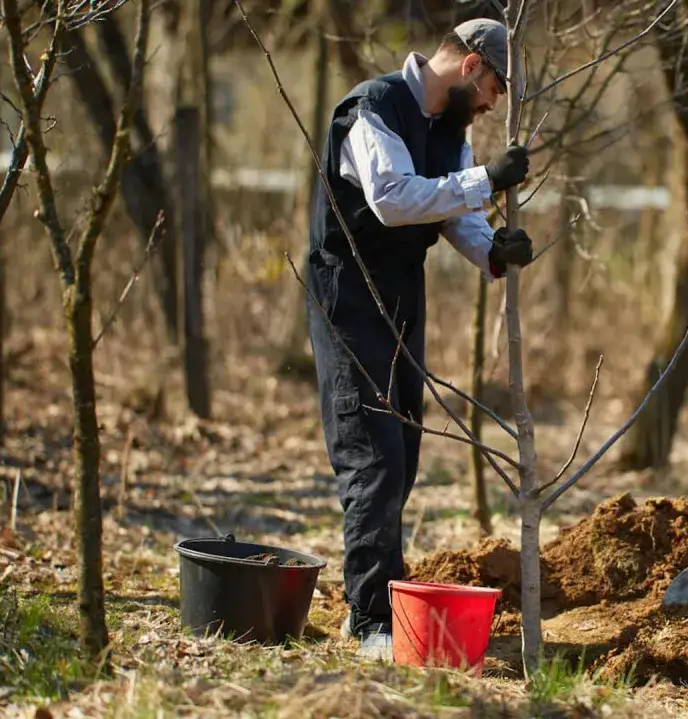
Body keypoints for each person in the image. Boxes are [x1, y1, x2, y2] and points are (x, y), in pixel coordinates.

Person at [304, 18, 536, 660]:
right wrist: (487, 179)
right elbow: (393, 198)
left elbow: (452, 212)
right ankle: (370, 619)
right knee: (372, 455)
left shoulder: (448, 131)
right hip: (349, 294)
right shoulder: (373, 108)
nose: (490, 105)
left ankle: (373, 602)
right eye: (493, 90)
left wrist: (493, 251)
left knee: (402, 451)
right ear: (471, 67)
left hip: (403, 293)